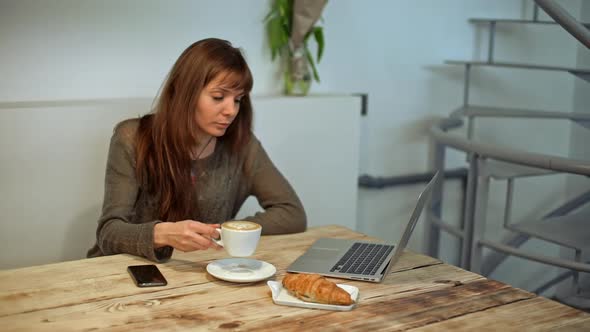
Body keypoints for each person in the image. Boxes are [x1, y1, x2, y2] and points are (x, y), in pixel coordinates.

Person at [87, 38, 307, 262]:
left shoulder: (242, 145)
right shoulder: (132, 137)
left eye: (238, 99)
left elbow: (292, 213)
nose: (231, 110)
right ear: (185, 92)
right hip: (122, 270)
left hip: (194, 274)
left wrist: (224, 231)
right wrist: (161, 234)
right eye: (218, 97)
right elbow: (109, 232)